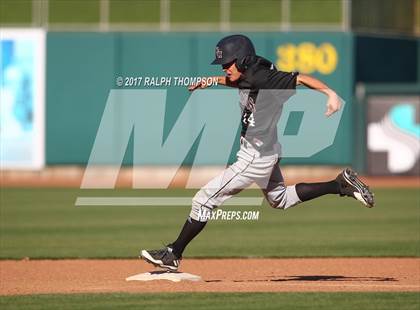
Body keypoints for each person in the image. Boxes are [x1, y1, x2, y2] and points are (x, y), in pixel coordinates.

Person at [141, 34, 374, 271]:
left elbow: (300, 78)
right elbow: (240, 81)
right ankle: (340, 185)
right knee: (279, 199)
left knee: (203, 200)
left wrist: (330, 94)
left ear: (242, 60)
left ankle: (173, 253)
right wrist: (212, 80)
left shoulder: (265, 76)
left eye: (228, 63)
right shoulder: (249, 71)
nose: (224, 67)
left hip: (255, 155)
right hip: (266, 147)